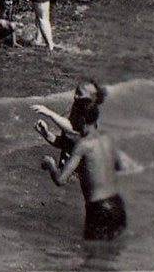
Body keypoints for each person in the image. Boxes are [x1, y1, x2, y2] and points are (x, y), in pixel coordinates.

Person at [41, 97, 132, 241]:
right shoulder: (105, 139)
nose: (70, 121)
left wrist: (51, 165)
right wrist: (47, 135)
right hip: (117, 206)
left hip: (99, 210)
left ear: (82, 120)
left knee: (92, 259)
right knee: (110, 255)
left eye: (73, 116)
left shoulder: (82, 146)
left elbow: (60, 179)